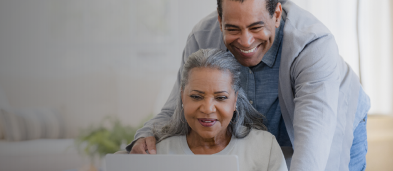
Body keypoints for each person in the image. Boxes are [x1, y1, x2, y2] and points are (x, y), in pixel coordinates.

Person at [127, 0, 371, 171]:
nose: (245, 42)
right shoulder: (202, 37)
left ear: (276, 15)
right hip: (262, 131)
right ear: (220, 19)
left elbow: (313, 145)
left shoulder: (312, 43)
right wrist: (146, 134)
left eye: (256, 27)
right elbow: (177, 106)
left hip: (327, 118)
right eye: (232, 29)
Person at [153, 48, 287, 171]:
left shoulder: (264, 147)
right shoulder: (159, 151)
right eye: (196, 96)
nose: (207, 109)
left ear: (235, 100)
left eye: (221, 97)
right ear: (182, 96)